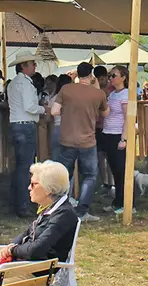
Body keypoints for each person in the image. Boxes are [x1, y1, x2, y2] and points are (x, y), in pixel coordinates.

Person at [52, 62, 108, 221]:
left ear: (76, 74)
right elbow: (105, 113)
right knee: (90, 175)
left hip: (67, 139)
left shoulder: (66, 89)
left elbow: (55, 111)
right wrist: (96, 87)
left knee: (64, 175)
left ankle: (60, 209)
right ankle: (82, 212)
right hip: (88, 141)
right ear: (92, 76)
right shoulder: (98, 94)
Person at [7, 54, 44, 217]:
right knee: (25, 167)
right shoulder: (26, 84)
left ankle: (17, 201)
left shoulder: (13, 83)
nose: (35, 66)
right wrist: (44, 109)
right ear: (23, 66)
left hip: (16, 124)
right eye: (32, 64)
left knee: (20, 166)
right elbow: (30, 107)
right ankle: (22, 205)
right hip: (25, 125)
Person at [99, 66, 132, 215]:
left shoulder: (125, 94)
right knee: (114, 171)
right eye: (109, 75)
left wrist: (124, 138)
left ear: (123, 77)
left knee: (121, 171)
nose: (111, 78)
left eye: (114, 75)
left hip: (118, 134)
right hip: (108, 133)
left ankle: (126, 203)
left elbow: (128, 118)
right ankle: (118, 202)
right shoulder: (112, 95)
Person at [48, 73, 72, 161]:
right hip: (69, 129)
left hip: (56, 128)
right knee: (69, 160)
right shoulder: (73, 98)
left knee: (56, 159)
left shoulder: (53, 99)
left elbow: (48, 117)